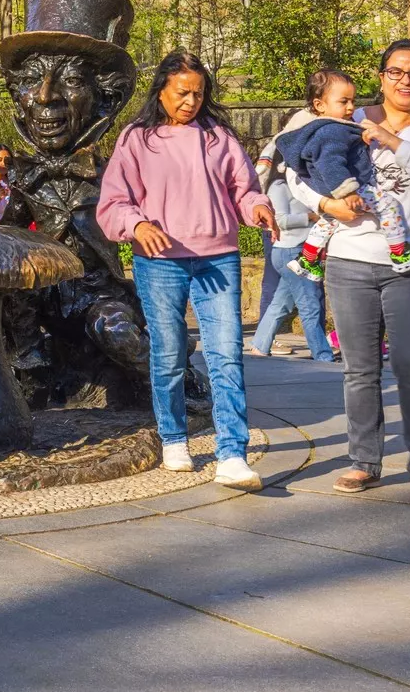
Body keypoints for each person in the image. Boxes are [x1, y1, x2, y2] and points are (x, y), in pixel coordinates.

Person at [97, 51, 275, 492]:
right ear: (161, 90)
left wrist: (258, 209)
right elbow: (113, 202)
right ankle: (174, 438)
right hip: (158, 262)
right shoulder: (137, 138)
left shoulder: (219, 137)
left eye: (199, 93)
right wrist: (136, 224)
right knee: (169, 350)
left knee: (226, 352)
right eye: (183, 92)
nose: (192, 101)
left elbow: (245, 189)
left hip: (218, 258)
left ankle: (232, 454)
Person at [323, 40, 410, 505]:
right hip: (349, 260)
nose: (406, 80)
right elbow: (299, 167)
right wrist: (325, 204)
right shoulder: (347, 118)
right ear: (381, 76)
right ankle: (363, 462)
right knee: (359, 369)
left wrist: (391, 141)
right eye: (396, 71)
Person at [275, 70, 410, 282]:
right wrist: (348, 191)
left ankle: (307, 257)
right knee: (388, 205)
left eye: (352, 100)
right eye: (343, 102)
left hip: (327, 188)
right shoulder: (331, 130)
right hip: (345, 186)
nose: (351, 107)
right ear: (320, 105)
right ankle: (399, 252)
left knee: (329, 220)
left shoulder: (324, 128)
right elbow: (331, 161)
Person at [251, 109, 334, 360]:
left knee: (282, 302)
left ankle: (259, 346)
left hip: (300, 248)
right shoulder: (278, 186)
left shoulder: (304, 185)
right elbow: (280, 221)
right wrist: (311, 217)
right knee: (309, 304)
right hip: (291, 250)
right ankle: (323, 355)